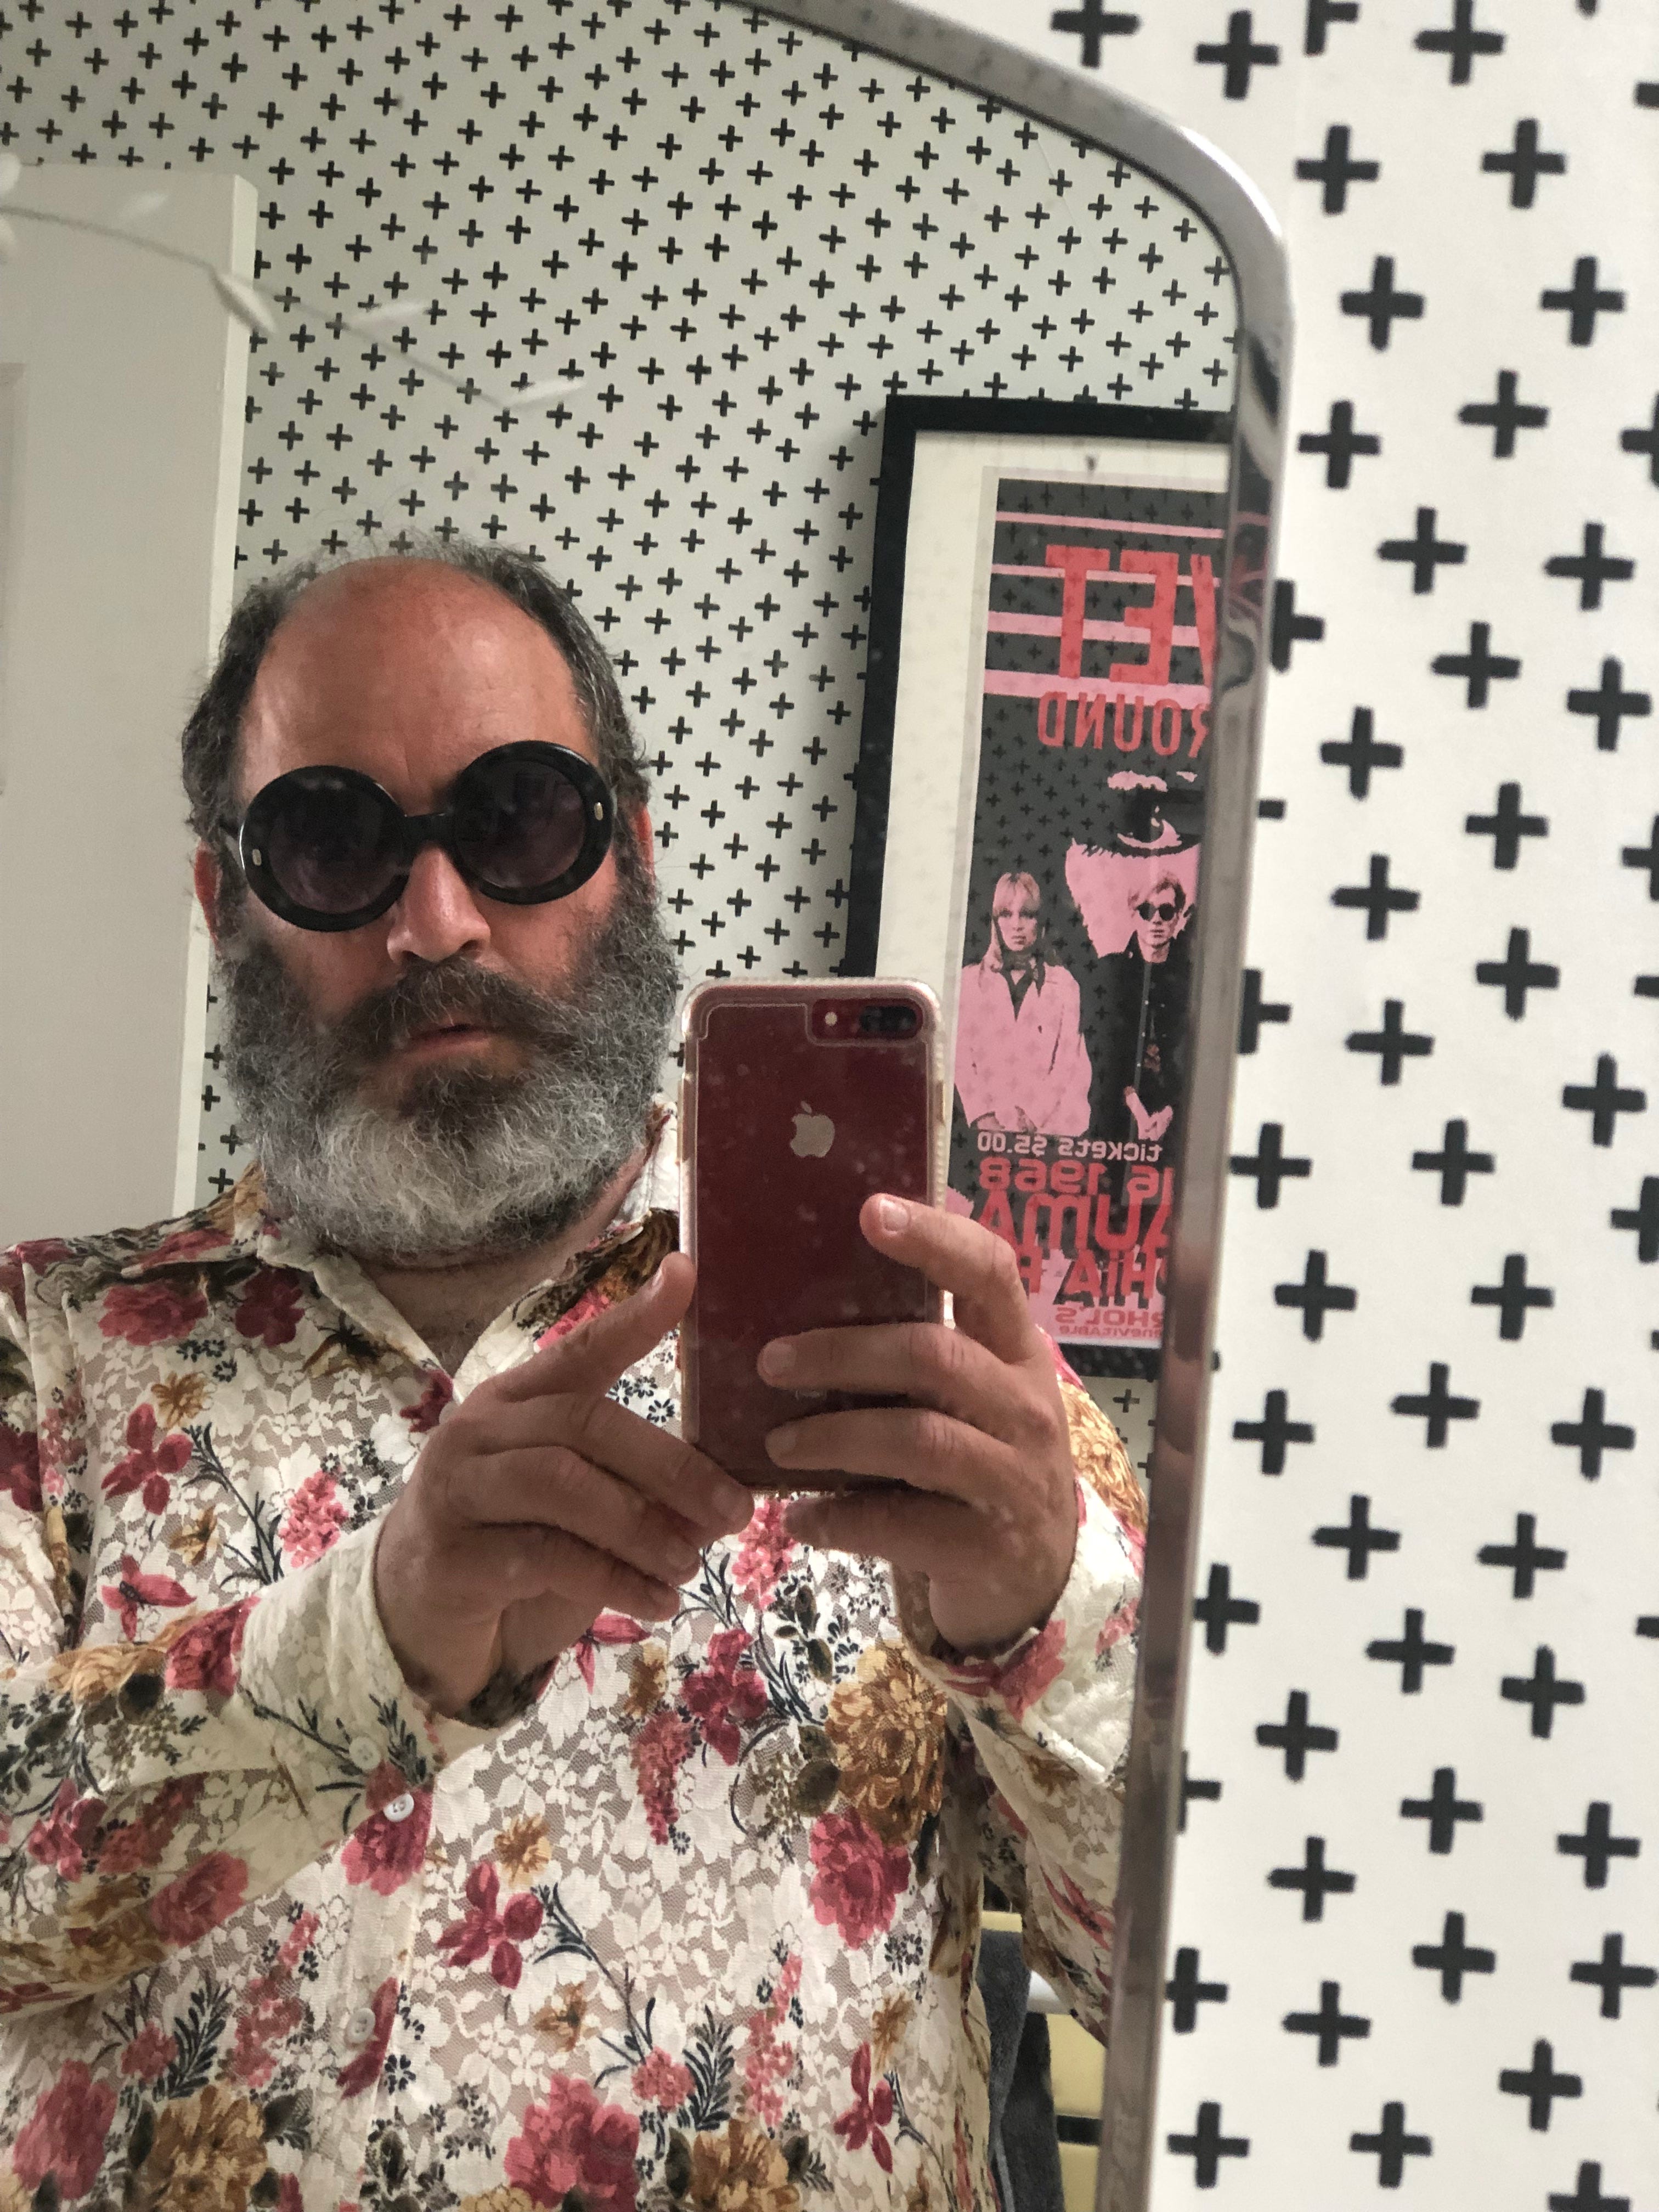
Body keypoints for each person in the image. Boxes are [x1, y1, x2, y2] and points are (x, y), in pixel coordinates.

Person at [0, 541, 1146, 2211]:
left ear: (631, 852)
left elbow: (1212, 1997)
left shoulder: (945, 1372)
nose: (436, 922)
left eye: (520, 820)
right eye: (332, 843)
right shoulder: (46, 1351)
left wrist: (1048, 1624)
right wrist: (367, 1640)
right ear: (223, 901)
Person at [953, 873, 1091, 1141]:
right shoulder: (969, 981)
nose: (1016, 925)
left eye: (1027, 914)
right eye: (1006, 914)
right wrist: (984, 1119)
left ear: (1040, 921)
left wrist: (1032, 1116)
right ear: (995, 921)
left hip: (1051, 1132)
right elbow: (961, 1059)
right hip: (984, 1135)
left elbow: (1067, 1062)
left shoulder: (1064, 985)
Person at [1079, 871, 1195, 1146]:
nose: (1156, 920)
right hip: (1114, 1117)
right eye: (1146, 911)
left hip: (1179, 1120)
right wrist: (1140, 1116)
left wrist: (1168, 1113)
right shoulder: (1108, 972)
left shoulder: (1191, 979)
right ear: (1133, 914)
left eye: (1166, 911)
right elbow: (1099, 1054)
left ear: (1178, 917)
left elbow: (1193, 1057)